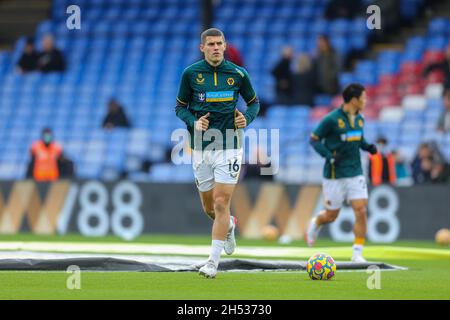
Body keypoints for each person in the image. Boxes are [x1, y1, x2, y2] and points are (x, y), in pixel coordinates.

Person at [175, 28, 260, 278]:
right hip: (202, 147)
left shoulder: (238, 74)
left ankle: (212, 263)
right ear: (202, 48)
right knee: (210, 208)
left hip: (231, 145)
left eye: (219, 44)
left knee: (222, 202)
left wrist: (248, 117)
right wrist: (193, 122)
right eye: (210, 44)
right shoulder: (190, 74)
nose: (215, 47)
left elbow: (254, 102)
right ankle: (230, 225)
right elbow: (179, 107)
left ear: (225, 46)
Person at [307, 83, 378, 263]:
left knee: (361, 210)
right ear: (354, 100)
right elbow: (314, 140)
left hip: (355, 171)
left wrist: (367, 146)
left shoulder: (360, 119)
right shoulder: (331, 119)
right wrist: (329, 156)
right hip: (334, 174)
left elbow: (357, 138)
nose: (365, 100)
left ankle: (357, 253)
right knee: (331, 215)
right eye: (363, 97)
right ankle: (316, 222)